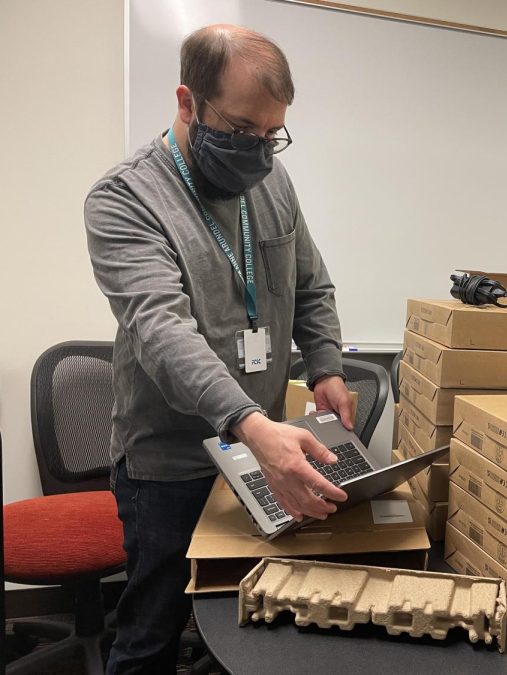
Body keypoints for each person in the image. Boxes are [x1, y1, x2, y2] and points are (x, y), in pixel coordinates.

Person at [84, 24, 351, 674]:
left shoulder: (273, 182)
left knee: (242, 617)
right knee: (151, 629)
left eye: (272, 134)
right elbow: (163, 333)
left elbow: (310, 282)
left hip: (256, 452)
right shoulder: (125, 200)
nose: (258, 152)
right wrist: (253, 425)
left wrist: (326, 366)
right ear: (187, 102)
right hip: (170, 464)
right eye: (239, 132)